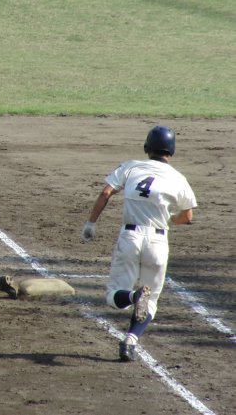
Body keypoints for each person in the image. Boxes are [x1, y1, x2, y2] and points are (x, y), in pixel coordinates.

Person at [80, 125, 197, 362]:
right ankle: (130, 341)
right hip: (158, 242)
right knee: (151, 301)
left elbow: (105, 193)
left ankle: (134, 297)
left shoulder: (131, 166)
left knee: (114, 296)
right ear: (171, 151)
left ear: (147, 147)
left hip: (130, 239)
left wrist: (91, 223)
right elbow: (188, 217)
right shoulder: (178, 178)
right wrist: (169, 218)